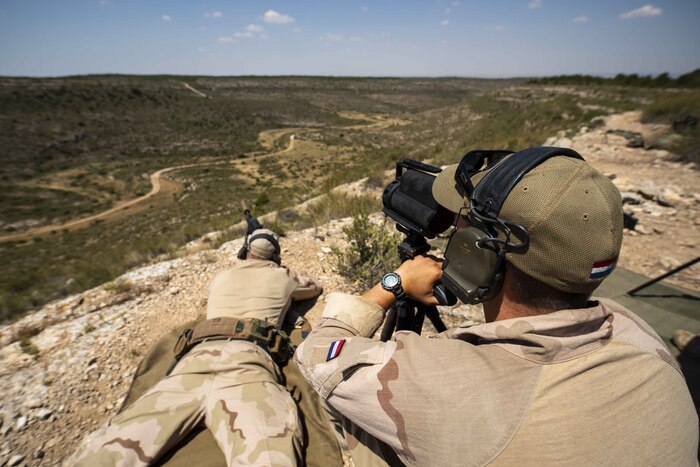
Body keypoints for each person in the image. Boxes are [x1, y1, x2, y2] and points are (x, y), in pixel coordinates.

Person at [294, 149, 699, 466]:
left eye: (460, 230)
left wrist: (393, 282)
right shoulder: (639, 335)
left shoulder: (445, 383)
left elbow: (316, 354)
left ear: (478, 256)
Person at [73, 229, 323, 466]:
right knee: (269, 453)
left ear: (244, 251)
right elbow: (314, 287)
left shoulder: (222, 277)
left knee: (111, 448)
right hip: (248, 362)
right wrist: (284, 272)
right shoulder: (283, 276)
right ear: (276, 256)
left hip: (193, 360)